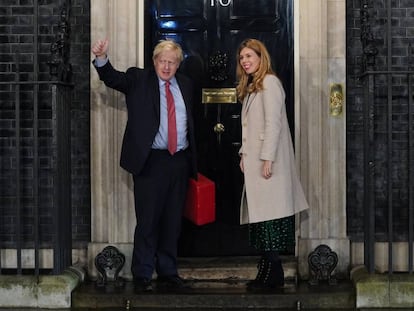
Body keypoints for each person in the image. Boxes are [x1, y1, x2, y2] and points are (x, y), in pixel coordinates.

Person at [91, 38, 197, 292]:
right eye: (163, 61)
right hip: (151, 161)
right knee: (148, 220)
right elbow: (113, 79)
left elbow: (192, 122)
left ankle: (169, 271)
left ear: (178, 65)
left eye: (172, 62)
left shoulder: (186, 84)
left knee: (173, 221)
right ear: (154, 61)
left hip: (179, 161)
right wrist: (102, 58)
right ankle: (143, 273)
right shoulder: (139, 79)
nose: (167, 66)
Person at [236, 38, 309, 290]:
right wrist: (245, 154)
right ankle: (266, 270)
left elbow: (273, 124)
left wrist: (268, 158)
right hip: (256, 163)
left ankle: (273, 273)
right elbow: (250, 127)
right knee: (262, 219)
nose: (245, 61)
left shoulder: (270, 82)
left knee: (270, 218)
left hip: (269, 164)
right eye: (242, 57)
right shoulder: (253, 86)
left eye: (249, 56)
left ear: (260, 57)